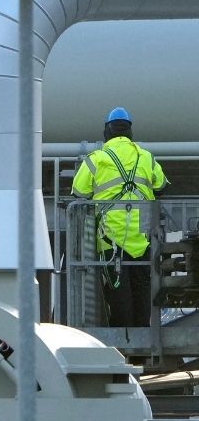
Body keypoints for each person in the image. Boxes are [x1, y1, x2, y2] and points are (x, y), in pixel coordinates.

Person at [71, 107, 167, 327]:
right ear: (130, 131)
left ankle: (123, 346)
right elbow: (161, 186)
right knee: (142, 289)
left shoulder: (97, 159)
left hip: (111, 240)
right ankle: (142, 340)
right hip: (143, 237)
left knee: (117, 290)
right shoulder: (146, 157)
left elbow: (78, 192)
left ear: (107, 132)